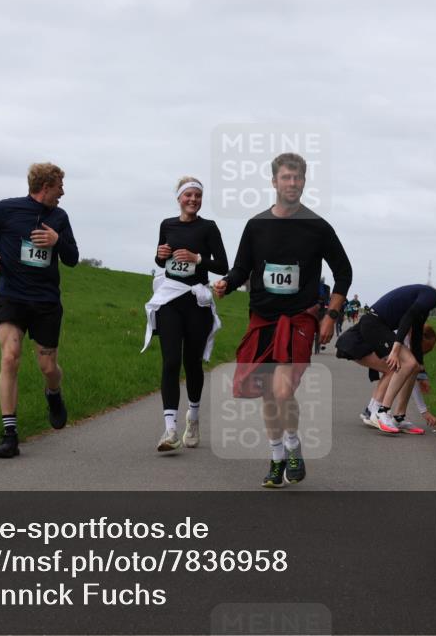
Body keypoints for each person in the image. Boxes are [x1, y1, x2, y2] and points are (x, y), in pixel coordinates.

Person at [214, 153, 352, 487]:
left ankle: (292, 446)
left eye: (298, 177)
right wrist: (227, 284)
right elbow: (242, 268)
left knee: (282, 388)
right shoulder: (256, 225)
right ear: (274, 181)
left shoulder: (317, 227)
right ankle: (277, 457)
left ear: (304, 181)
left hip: (299, 319)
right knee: (268, 394)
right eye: (286, 177)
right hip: (262, 318)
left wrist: (331, 316)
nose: (292, 183)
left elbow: (343, 273)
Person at [0, 163, 80, 458]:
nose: (63, 192)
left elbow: (73, 258)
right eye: (60, 186)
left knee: (48, 367)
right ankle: (9, 434)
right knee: (10, 357)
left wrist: (57, 241)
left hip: (46, 301)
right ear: (46, 186)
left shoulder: (59, 217)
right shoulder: (5, 209)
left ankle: (53, 393)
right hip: (11, 296)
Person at [142, 176, 227, 453]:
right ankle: (170, 430)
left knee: (192, 363)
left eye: (197, 196)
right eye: (188, 195)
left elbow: (223, 264)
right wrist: (160, 254)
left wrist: (197, 258)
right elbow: (161, 261)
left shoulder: (208, 227)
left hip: (196, 302)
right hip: (170, 299)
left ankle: (193, 417)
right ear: (179, 198)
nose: (193, 200)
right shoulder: (167, 225)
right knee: (170, 361)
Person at [335, 284, 436, 434]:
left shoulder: (426, 303)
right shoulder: (432, 295)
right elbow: (408, 317)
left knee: (414, 365)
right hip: (375, 323)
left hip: (376, 324)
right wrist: (395, 349)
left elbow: (416, 339)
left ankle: (398, 417)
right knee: (406, 363)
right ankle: (382, 412)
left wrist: (422, 374)